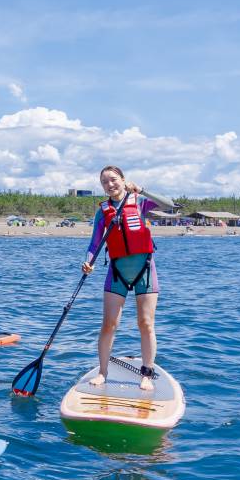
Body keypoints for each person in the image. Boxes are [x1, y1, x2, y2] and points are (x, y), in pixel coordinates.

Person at [81, 165, 166, 392]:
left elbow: (169, 205)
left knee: (145, 323)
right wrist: (89, 261)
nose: (110, 185)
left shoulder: (139, 201)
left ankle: (146, 373)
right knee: (109, 324)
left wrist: (143, 190)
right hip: (117, 270)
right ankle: (102, 372)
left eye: (113, 179)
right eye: (105, 182)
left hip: (145, 270)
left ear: (123, 179)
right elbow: (95, 243)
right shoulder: (103, 211)